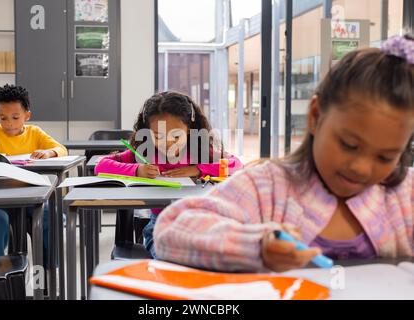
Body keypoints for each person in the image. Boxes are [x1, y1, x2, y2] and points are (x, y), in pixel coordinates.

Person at [153, 35, 414, 272]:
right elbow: (171, 229)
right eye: (349, 144)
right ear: (315, 116)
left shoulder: (405, 195)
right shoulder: (266, 187)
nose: (361, 167)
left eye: (385, 157)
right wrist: (256, 245)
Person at [95, 91, 243, 257]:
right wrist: (137, 170)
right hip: (160, 226)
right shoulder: (144, 153)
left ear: (190, 130)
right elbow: (101, 166)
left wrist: (199, 169)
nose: (167, 143)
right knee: (174, 259)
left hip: (198, 224)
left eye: (176, 136)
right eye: (158, 136)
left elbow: (236, 164)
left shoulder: (199, 152)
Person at [0, 84, 67, 258]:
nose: (9, 123)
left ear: (27, 115)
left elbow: (61, 149)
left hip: (30, 194)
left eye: (15, 117)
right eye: (3, 118)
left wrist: (49, 152)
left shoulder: (35, 133)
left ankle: (48, 269)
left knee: (51, 216)